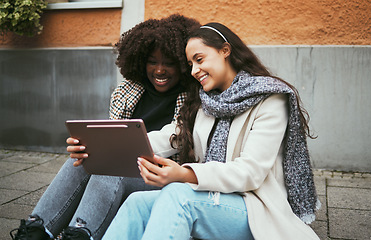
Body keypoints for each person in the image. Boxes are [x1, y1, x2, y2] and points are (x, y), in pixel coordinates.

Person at [101, 22, 320, 240]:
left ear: (225, 50)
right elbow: (169, 136)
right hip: (211, 198)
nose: (194, 71)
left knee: (178, 194)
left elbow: (250, 173)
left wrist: (185, 175)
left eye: (199, 59)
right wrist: (105, 144)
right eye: (190, 64)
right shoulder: (206, 102)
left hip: (254, 208)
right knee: (136, 203)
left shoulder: (270, 99)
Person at [10, 14, 201, 240]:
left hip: (160, 177)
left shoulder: (193, 99)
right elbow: (110, 136)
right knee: (80, 162)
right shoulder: (127, 92)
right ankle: (35, 230)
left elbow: (177, 137)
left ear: (183, 64)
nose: (159, 70)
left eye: (169, 63)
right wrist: (87, 146)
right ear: (141, 60)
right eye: (152, 61)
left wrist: (119, 151)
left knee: (110, 170)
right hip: (123, 169)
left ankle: (81, 234)